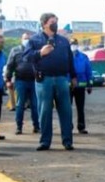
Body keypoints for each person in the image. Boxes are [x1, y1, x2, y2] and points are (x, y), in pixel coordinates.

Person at [29, 12, 77, 151]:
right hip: (44, 80)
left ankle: (67, 141)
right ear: (44, 24)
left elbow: (70, 60)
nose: (55, 24)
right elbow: (26, 57)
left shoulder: (63, 41)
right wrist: (40, 53)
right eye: (52, 22)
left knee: (66, 110)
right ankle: (45, 141)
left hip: (62, 79)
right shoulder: (35, 40)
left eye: (56, 21)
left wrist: (73, 76)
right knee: (45, 111)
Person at [5, 32, 40, 135]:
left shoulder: (35, 50)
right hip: (20, 81)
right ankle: (19, 127)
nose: (27, 40)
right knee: (20, 105)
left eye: (29, 39)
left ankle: (36, 126)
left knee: (35, 105)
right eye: (25, 38)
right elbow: (10, 66)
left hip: (34, 81)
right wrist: (8, 79)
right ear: (21, 39)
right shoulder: (15, 50)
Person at [69, 38, 93, 134]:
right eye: (71, 44)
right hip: (68, 86)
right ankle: (68, 127)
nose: (73, 45)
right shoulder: (66, 57)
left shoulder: (84, 57)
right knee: (67, 108)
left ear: (77, 45)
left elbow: (88, 71)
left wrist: (90, 84)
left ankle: (81, 127)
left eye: (74, 43)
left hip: (80, 86)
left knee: (80, 108)